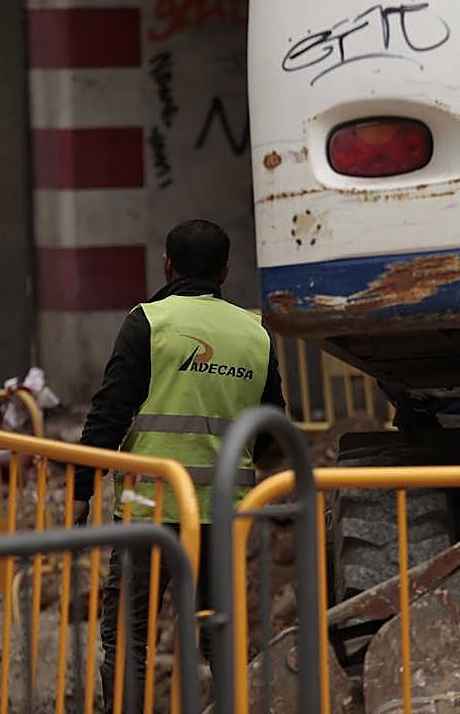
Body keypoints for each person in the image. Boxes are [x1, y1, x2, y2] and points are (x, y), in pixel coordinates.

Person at [72, 219, 285, 711]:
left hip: (151, 510)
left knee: (129, 636)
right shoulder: (255, 333)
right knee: (220, 636)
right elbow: (274, 430)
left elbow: (108, 412)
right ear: (226, 270)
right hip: (224, 513)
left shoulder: (150, 322)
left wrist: (83, 488)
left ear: (167, 264)